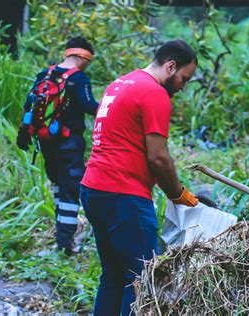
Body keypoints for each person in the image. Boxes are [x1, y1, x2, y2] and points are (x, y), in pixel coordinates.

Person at [80, 40, 199, 315]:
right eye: (184, 78)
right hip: (123, 196)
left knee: (114, 275)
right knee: (143, 278)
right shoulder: (153, 93)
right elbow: (158, 156)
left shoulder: (120, 84)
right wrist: (177, 194)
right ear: (171, 66)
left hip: (94, 189)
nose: (182, 87)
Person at [17, 37, 99, 255]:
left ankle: (61, 239)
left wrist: (23, 132)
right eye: (87, 62)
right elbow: (90, 106)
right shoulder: (79, 79)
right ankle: (65, 246)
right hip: (69, 144)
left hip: (46, 143)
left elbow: (29, 105)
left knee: (58, 186)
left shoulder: (45, 74)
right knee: (71, 192)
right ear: (83, 57)